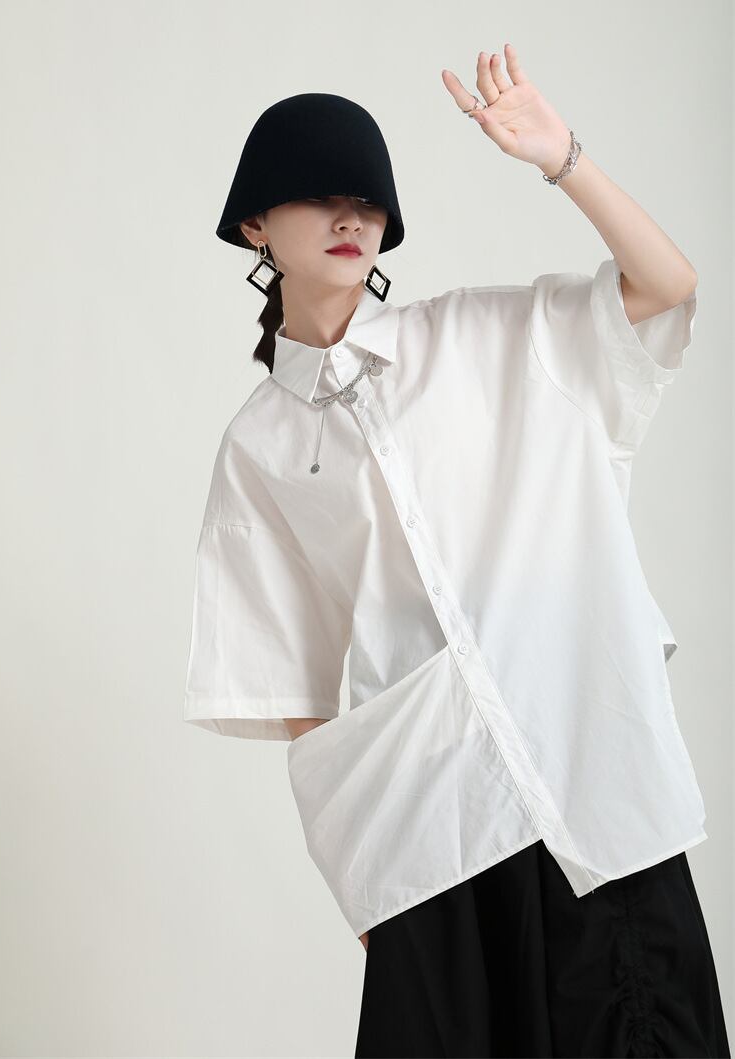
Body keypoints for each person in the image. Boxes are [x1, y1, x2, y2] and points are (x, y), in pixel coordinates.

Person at [183, 63, 730, 1059]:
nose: (351, 215)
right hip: (432, 832)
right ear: (255, 225)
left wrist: (563, 159)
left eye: (369, 200)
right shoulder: (259, 446)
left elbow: (668, 287)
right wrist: (361, 868)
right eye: (320, 193)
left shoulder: (496, 335)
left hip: (593, 790)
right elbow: (292, 684)